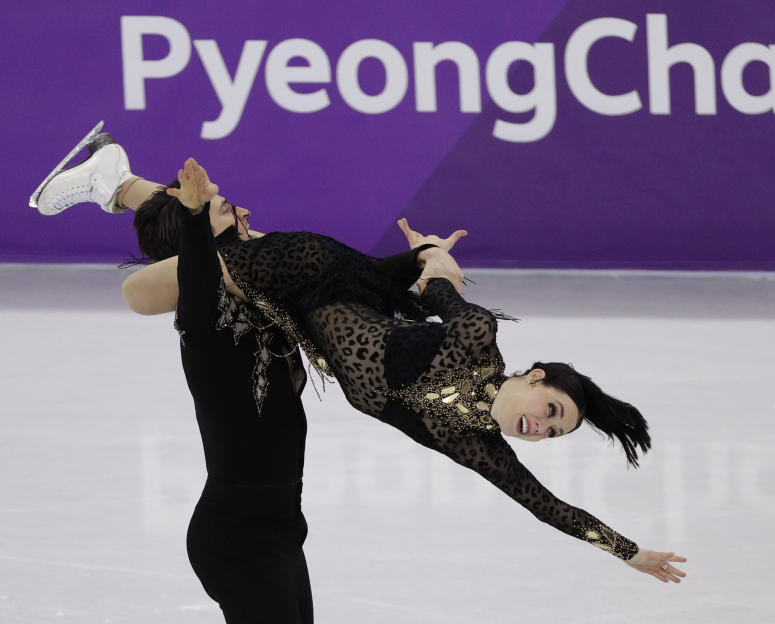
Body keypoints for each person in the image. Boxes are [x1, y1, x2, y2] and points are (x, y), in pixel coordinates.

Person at [34, 128, 687, 591]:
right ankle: (121, 183)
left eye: (553, 431)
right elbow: (439, 286)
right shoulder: (475, 340)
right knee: (166, 281)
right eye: (552, 410)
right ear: (533, 376)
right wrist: (433, 255)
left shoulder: (470, 441)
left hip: (316, 305)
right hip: (317, 270)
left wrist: (626, 551)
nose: (540, 427)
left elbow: (545, 505)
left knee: (217, 240)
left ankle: (116, 178)